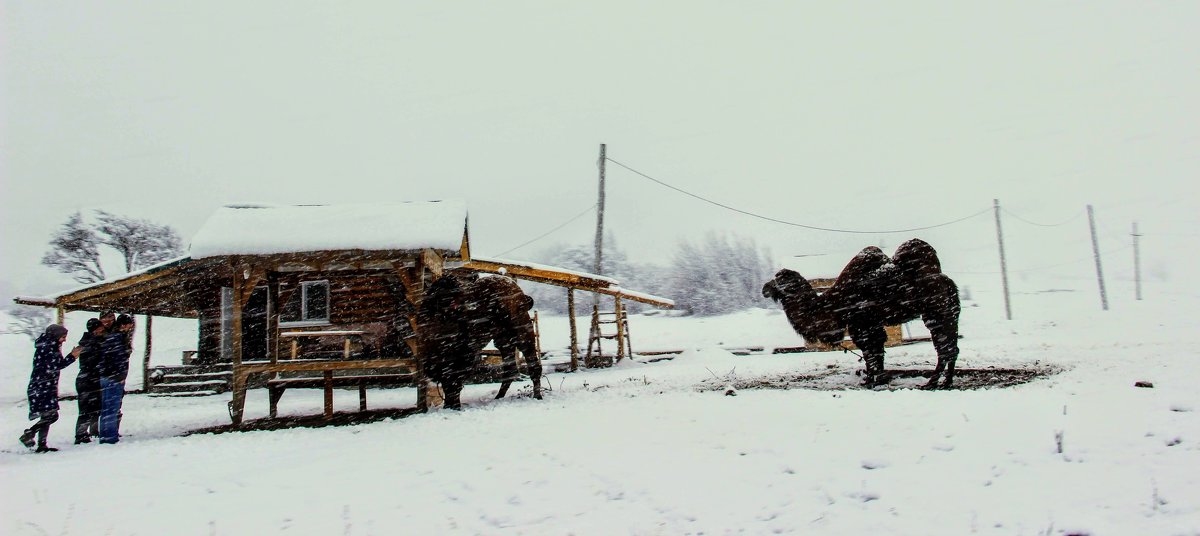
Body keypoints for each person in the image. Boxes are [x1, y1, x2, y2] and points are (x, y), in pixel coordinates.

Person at [19, 324, 81, 453]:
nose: (64, 340)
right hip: (43, 387)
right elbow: (56, 365)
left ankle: (42, 444)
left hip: (43, 386)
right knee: (52, 416)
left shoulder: (46, 345)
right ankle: (30, 433)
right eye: (63, 337)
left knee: (47, 415)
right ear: (56, 336)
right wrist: (72, 356)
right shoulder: (49, 347)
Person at [98, 314, 134, 444]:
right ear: (123, 325)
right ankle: (109, 437)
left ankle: (106, 434)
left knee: (108, 407)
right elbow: (117, 359)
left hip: (109, 376)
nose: (130, 328)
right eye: (129, 325)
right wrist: (119, 376)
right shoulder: (118, 339)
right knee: (111, 407)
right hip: (113, 378)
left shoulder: (112, 338)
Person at [74, 318, 106, 444]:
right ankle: (80, 435)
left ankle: (91, 431)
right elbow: (91, 362)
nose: (102, 330)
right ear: (95, 329)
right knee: (86, 409)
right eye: (100, 328)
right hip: (88, 379)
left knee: (93, 407)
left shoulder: (89, 342)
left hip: (89, 378)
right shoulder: (90, 343)